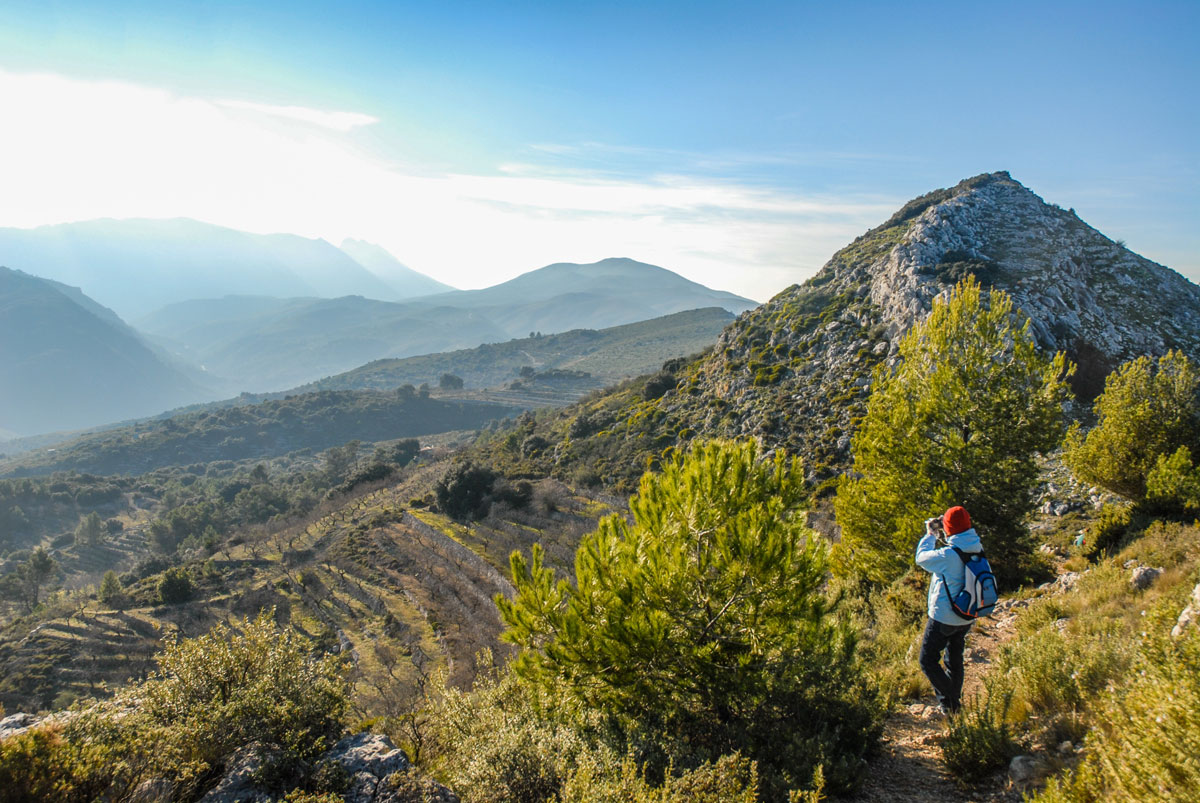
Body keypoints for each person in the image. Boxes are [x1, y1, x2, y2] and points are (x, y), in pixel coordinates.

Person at [915, 505, 982, 714]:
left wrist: (930, 535)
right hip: (967, 614)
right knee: (954, 659)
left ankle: (952, 701)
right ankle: (949, 706)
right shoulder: (977, 547)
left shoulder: (948, 555)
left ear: (949, 528)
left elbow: (921, 558)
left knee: (927, 660)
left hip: (944, 616)